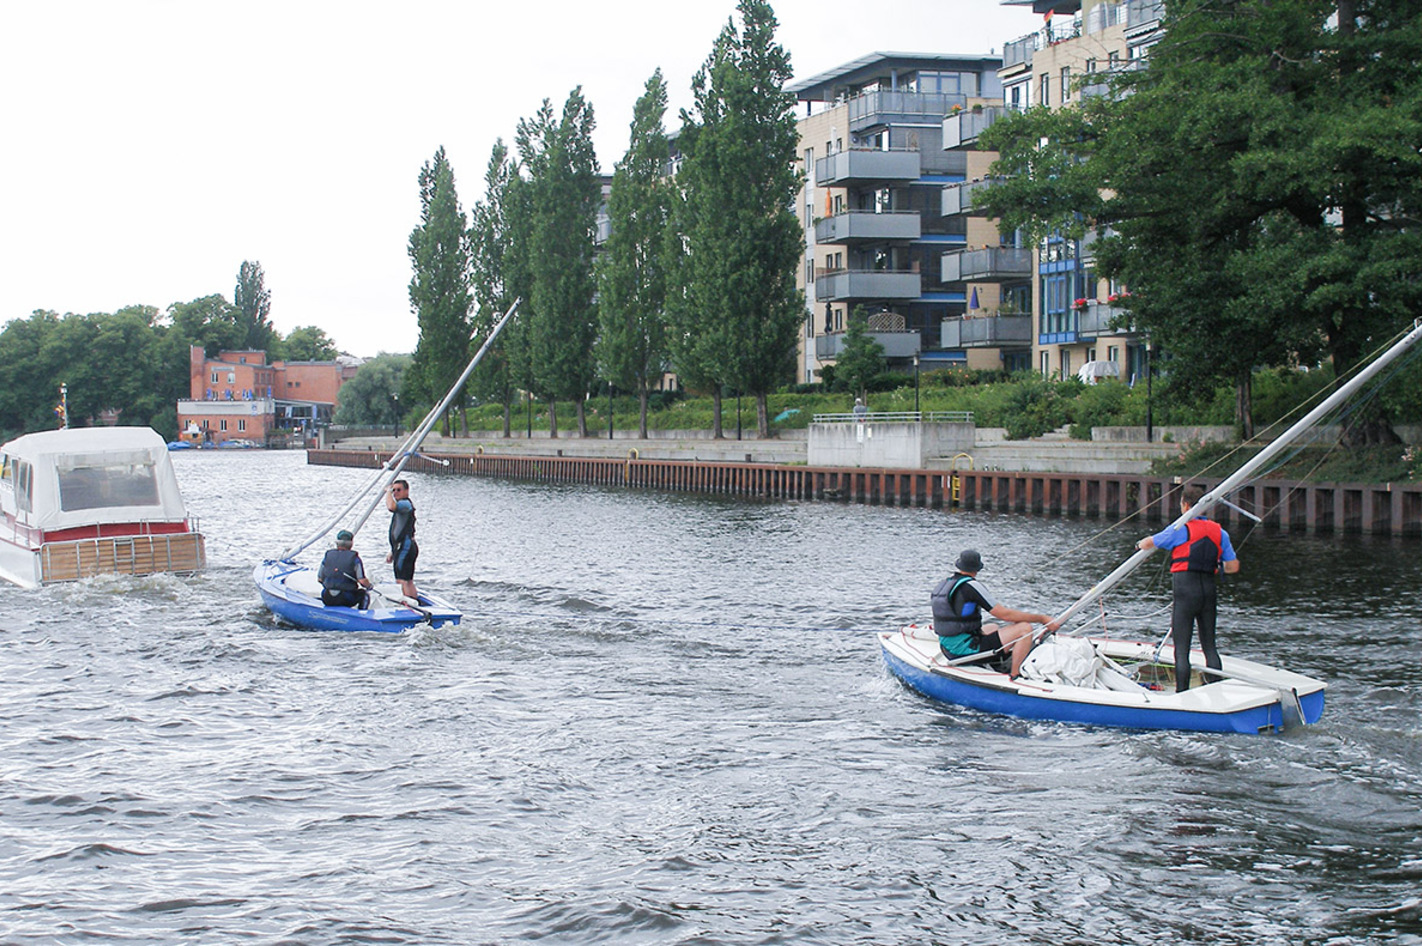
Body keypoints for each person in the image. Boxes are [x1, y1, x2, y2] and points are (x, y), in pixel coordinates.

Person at [1136, 484, 1240, 692]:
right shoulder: (1220, 532)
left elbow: (1150, 542)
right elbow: (1233, 567)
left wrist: (1139, 544)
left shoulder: (1180, 528)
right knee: (1210, 646)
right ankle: (1216, 690)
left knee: (1182, 649)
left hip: (1185, 592)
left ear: (1185, 505)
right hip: (1208, 592)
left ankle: (1181, 693)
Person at [931, 549, 1061, 678]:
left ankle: (1001, 659)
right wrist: (1043, 619)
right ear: (977, 569)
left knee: (993, 627)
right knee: (1024, 629)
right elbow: (1004, 615)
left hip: (947, 647)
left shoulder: (946, 584)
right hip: (963, 650)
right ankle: (1015, 674)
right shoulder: (971, 586)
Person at [317, 530, 372, 609]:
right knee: (364, 594)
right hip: (345, 598)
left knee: (327, 592)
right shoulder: (355, 558)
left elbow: (320, 579)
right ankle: (362, 615)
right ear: (351, 544)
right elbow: (362, 581)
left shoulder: (328, 556)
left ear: (337, 543)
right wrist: (369, 586)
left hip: (327, 597)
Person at [385, 478, 419, 601]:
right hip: (404, 546)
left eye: (398, 490)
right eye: (394, 490)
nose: (395, 493)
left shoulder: (405, 504)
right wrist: (392, 551)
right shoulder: (403, 505)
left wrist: (387, 491)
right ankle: (414, 602)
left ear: (406, 491)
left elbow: (391, 507)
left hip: (405, 547)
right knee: (408, 580)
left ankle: (407, 605)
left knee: (401, 580)